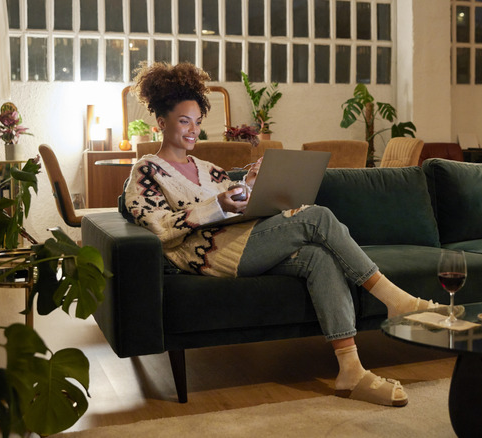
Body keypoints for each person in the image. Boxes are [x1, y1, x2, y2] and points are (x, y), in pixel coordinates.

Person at [124, 62, 436, 407]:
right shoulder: (147, 170)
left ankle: (351, 370)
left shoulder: (208, 169)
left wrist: (252, 187)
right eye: (184, 121)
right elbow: (158, 226)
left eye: (197, 122)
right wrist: (218, 206)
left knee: (318, 258)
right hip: (212, 257)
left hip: (247, 241)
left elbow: (237, 202)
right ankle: (395, 300)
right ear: (161, 122)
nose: (193, 130)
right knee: (316, 217)